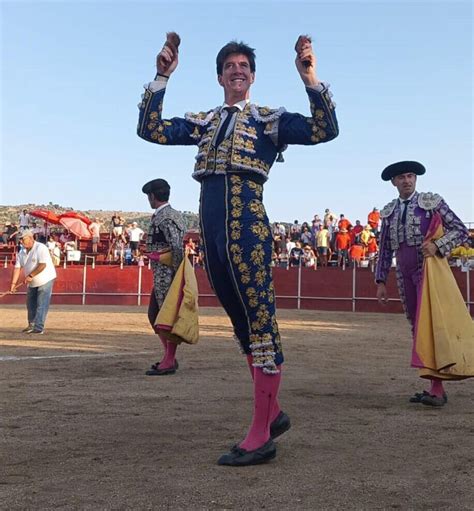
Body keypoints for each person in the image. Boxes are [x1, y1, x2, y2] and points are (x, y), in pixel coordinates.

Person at [137, 34, 338, 466]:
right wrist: (162, 76)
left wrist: (310, 77)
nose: (238, 70)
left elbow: (325, 130)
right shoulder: (205, 121)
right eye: (230, 65)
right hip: (211, 231)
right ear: (219, 76)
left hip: (247, 228)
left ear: (252, 75)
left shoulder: (270, 120)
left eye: (244, 65)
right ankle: (274, 411)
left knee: (259, 322)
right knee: (241, 323)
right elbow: (150, 130)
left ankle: (261, 433)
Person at [375, 161, 470, 407]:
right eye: (401, 177)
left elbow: (460, 230)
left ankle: (437, 388)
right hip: (404, 274)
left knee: (431, 325)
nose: (407, 180)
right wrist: (380, 280)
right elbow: (385, 248)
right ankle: (435, 387)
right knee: (417, 328)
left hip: (428, 272)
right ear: (393, 182)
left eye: (410, 176)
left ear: (415, 179)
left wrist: (438, 246)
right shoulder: (389, 212)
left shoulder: (431, 203)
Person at [142, 178, 185, 377]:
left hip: (167, 274)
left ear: (152, 196)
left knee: (165, 316)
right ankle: (169, 357)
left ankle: (169, 360)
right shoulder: (169, 215)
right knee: (156, 314)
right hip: (163, 272)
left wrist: (173, 269)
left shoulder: (165, 217)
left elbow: (176, 246)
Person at [9, 230, 57, 334]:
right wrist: (13, 284)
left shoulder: (41, 248)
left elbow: (42, 265)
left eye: (23, 239)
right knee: (30, 303)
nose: (21, 241)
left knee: (41, 303)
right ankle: (31, 324)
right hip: (32, 282)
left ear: (31, 238)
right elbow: (17, 268)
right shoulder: (21, 252)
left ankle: (38, 327)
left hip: (45, 279)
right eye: (21, 240)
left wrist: (31, 275)